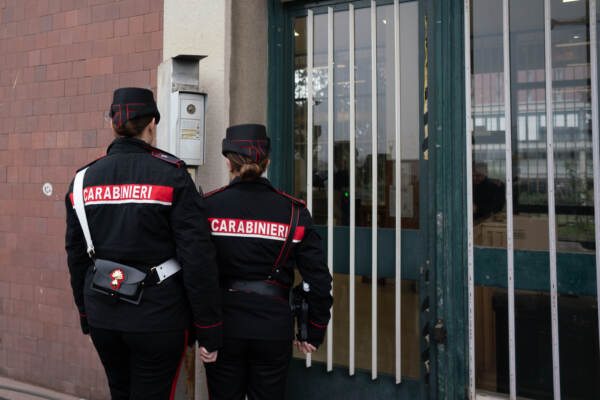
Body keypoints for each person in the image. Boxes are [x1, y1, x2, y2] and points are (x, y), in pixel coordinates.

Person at [64, 88, 222, 399]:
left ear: (113, 125)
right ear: (151, 125)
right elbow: (197, 257)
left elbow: (76, 256)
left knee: (120, 391)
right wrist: (209, 327)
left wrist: (85, 314)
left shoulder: (82, 181)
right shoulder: (172, 175)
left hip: (103, 316)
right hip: (159, 318)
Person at [202, 124, 333, 400]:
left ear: (228, 163)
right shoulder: (293, 211)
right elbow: (318, 279)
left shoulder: (207, 207)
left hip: (223, 326)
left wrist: (201, 329)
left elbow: (196, 272)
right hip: (273, 328)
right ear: (267, 162)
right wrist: (314, 330)